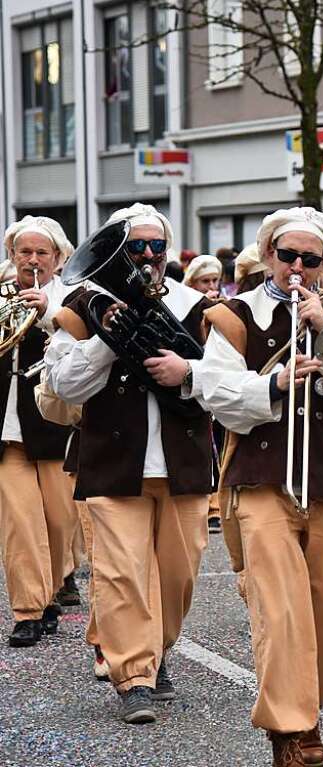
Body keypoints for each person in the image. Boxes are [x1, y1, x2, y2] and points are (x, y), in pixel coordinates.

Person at [193, 207, 323, 767]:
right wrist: (275, 382)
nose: (296, 266)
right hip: (262, 480)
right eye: (287, 255)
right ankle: (292, 730)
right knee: (280, 611)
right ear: (269, 255)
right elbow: (217, 397)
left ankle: (309, 703)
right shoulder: (233, 316)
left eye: (311, 258)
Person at [46, 203, 214, 725]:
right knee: (121, 575)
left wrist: (186, 369)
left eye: (155, 246)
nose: (146, 255)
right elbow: (64, 385)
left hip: (182, 461)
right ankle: (134, 675)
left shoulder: (198, 306)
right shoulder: (82, 307)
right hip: (114, 460)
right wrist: (108, 339)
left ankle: (158, 652)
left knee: (179, 574)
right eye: (134, 246)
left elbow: (227, 386)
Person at [0, 216, 78, 648]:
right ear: (11, 257)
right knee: (20, 524)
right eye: (23, 252)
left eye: (41, 253)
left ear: (58, 259)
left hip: (54, 426)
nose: (32, 260)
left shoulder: (71, 299)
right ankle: (28, 610)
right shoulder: (1, 297)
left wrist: (46, 313)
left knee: (59, 522)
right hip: (7, 429)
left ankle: (49, 594)